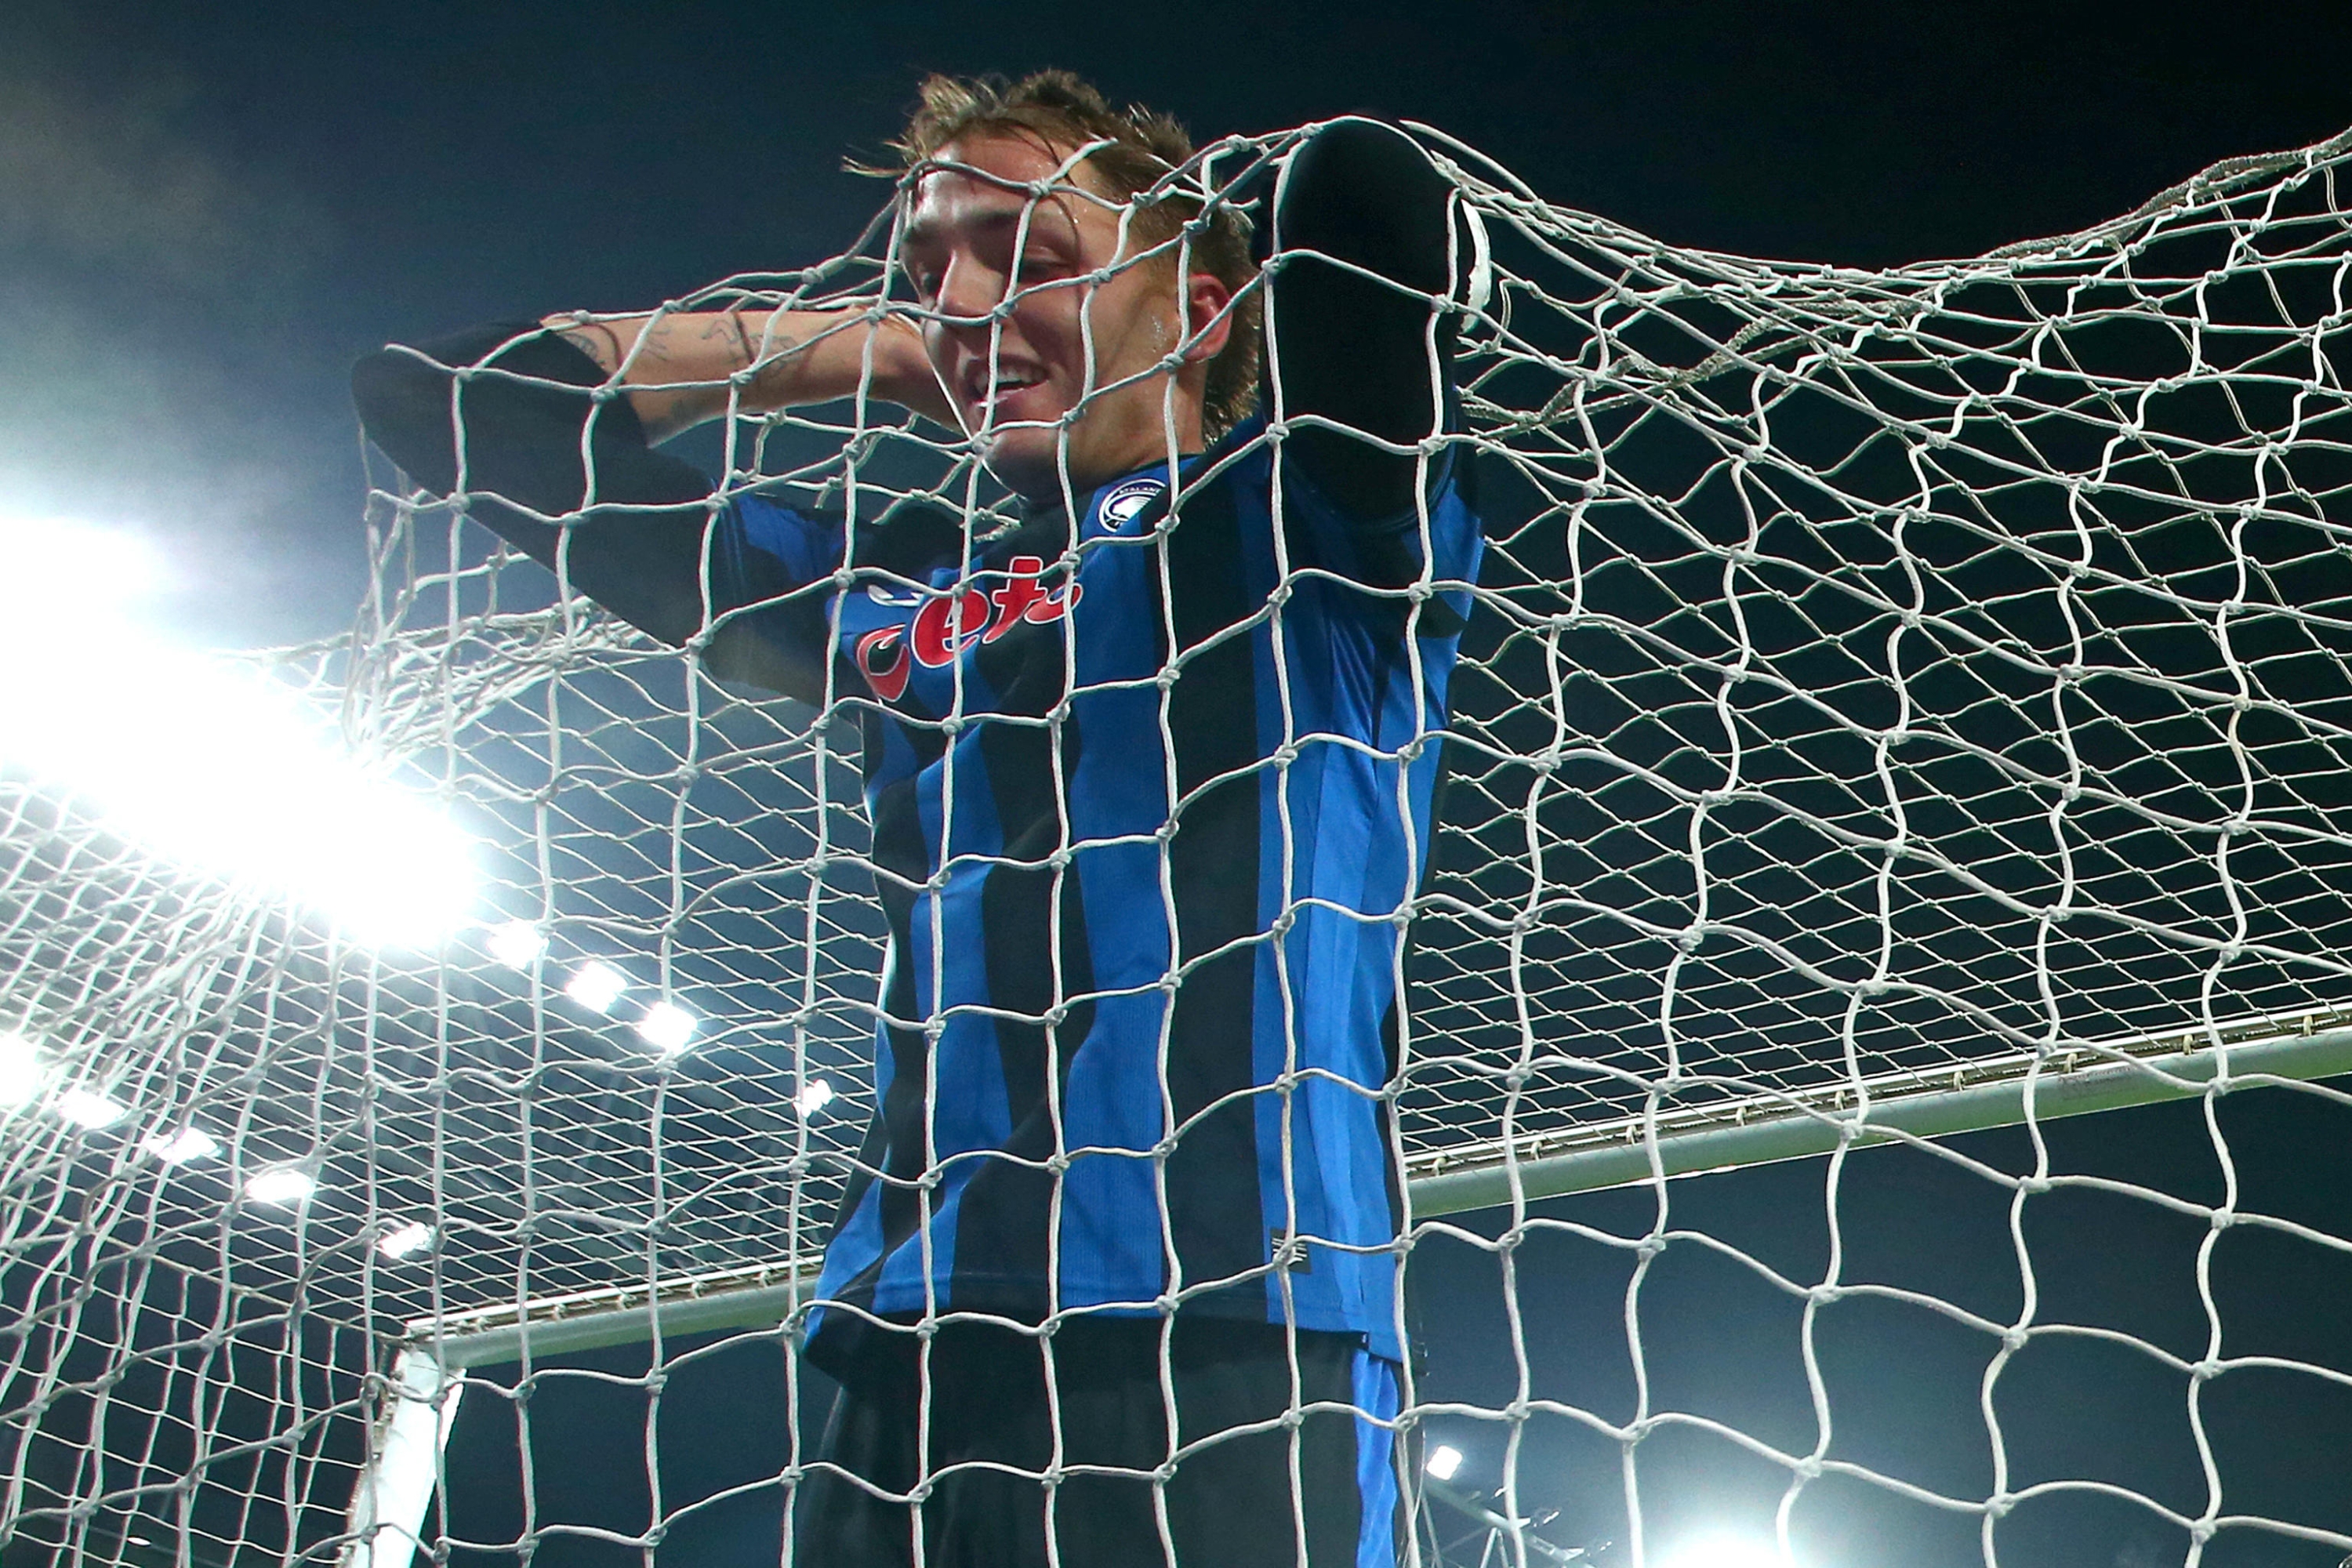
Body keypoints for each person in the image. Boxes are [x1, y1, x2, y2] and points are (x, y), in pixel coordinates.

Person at [350, 70, 1484, 1568]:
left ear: (1202, 310)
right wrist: (877, 350)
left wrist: (1147, 243)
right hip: (903, 1335)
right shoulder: (887, 589)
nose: (961, 296)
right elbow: (445, 404)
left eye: (1030, 255)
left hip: (1227, 1325)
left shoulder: (1307, 532)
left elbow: (1362, 200)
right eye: (928, 265)